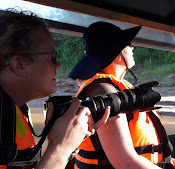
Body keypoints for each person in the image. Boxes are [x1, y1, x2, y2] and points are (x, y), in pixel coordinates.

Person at [0, 9, 113, 169]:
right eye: (51, 57)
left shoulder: (12, 111)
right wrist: (60, 148)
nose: (58, 64)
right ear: (19, 65)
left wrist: (71, 141)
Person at [68, 21, 175, 169]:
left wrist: (166, 162)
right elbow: (125, 162)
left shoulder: (117, 89)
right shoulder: (104, 93)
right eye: (128, 44)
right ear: (116, 51)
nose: (133, 47)